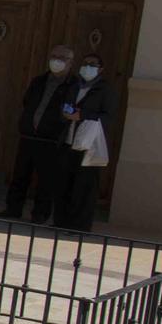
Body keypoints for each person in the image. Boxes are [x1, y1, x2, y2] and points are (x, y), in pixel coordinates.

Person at [0, 44, 75, 224]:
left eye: (62, 58)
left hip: (51, 140)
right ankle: (13, 209)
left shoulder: (72, 85)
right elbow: (27, 101)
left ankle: (40, 214)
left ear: (70, 63)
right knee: (20, 175)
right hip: (29, 136)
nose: (57, 60)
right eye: (54, 56)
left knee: (46, 180)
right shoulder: (39, 81)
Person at [55, 52, 114, 231]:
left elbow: (109, 116)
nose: (88, 67)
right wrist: (66, 113)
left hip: (88, 145)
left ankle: (79, 226)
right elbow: (64, 105)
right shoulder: (74, 86)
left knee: (84, 187)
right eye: (86, 63)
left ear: (100, 69)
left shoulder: (105, 90)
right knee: (64, 184)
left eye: (93, 64)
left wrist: (83, 115)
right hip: (69, 140)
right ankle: (61, 222)